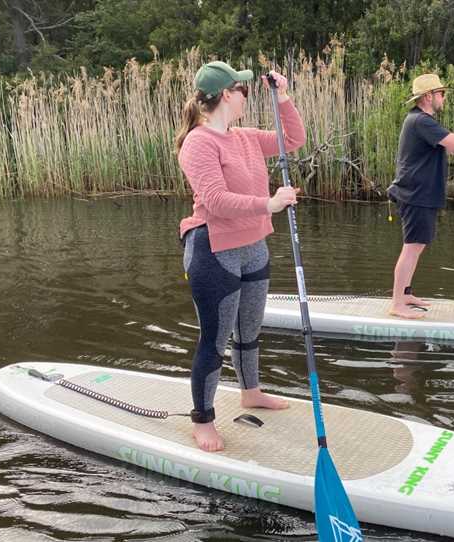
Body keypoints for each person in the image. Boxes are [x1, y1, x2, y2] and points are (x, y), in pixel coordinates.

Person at [174, 61, 306, 452]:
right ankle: (203, 419)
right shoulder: (198, 143)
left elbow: (293, 139)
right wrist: (269, 203)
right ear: (226, 95)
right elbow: (215, 200)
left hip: (253, 247)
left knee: (249, 333)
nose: (247, 95)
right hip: (214, 249)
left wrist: (283, 96)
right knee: (214, 341)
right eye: (242, 90)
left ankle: (251, 391)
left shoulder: (245, 137)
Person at [387, 73, 454, 319]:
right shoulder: (420, 121)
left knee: (417, 246)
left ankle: (404, 294)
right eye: (441, 93)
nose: (443, 98)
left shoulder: (423, 122)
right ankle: (396, 303)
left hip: (421, 194)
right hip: (415, 194)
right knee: (412, 248)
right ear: (428, 97)